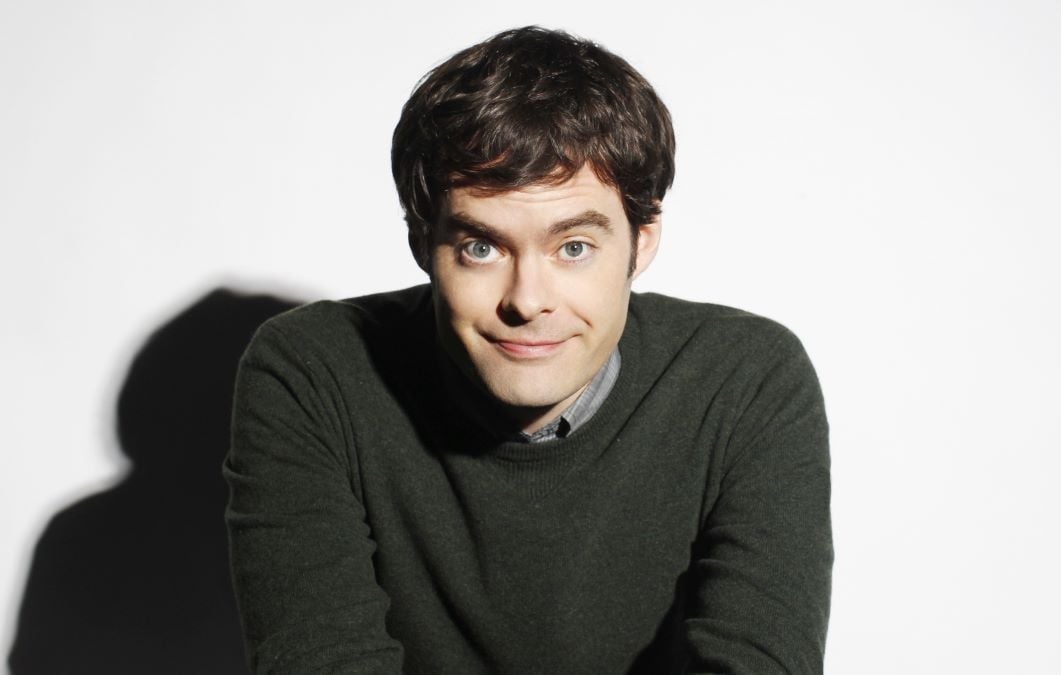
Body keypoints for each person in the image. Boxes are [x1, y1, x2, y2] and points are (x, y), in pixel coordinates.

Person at [224, 25, 832, 674]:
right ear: (420, 241)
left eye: (574, 247)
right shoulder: (313, 374)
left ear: (642, 239)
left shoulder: (745, 382)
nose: (527, 300)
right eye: (481, 246)